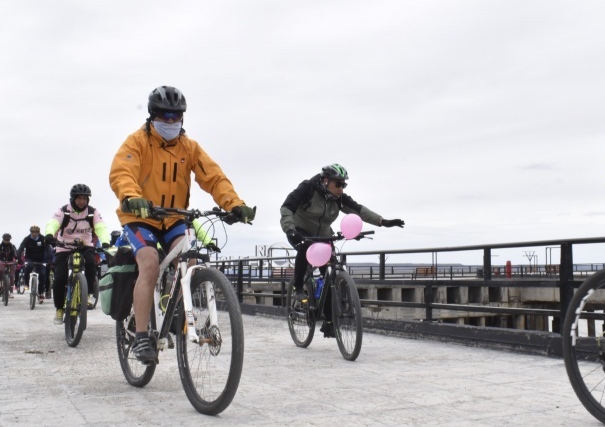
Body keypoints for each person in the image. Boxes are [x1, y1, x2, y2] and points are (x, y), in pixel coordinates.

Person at [109, 85, 255, 362]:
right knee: (150, 264)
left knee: (188, 264)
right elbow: (122, 172)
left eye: (176, 117)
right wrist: (130, 196)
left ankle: (175, 312)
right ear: (152, 116)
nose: (170, 122)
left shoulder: (189, 147)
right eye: (165, 116)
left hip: (174, 217)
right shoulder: (137, 142)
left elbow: (213, 177)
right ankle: (141, 337)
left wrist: (234, 204)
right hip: (140, 217)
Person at [280, 164, 404, 337]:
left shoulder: (338, 198)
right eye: (338, 184)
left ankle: (330, 321)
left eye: (343, 184)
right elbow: (286, 208)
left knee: (329, 274)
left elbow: (358, 210)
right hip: (299, 231)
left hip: (323, 235)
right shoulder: (307, 188)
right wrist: (290, 230)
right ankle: (299, 287)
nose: (341, 188)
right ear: (325, 180)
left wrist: (383, 221)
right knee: (305, 247)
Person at [44, 184, 111, 324]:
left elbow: (100, 227)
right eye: (79, 198)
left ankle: (88, 294)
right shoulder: (63, 211)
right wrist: (50, 234)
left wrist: (105, 242)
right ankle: (59, 309)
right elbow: (53, 223)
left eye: (85, 199)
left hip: (85, 245)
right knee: (59, 278)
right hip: (64, 245)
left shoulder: (93, 212)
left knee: (92, 264)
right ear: (73, 198)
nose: (82, 201)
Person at [17, 225, 53, 304]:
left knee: (43, 274)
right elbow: (21, 248)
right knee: (27, 269)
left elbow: (48, 249)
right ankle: (27, 283)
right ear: (30, 232)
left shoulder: (43, 239)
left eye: (36, 232)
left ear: (38, 232)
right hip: (30, 259)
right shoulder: (26, 239)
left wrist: (50, 259)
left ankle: (40, 293)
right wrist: (18, 257)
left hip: (41, 260)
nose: (34, 234)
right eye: (32, 232)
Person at [0, 233, 18, 298]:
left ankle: (11, 292)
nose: (7, 241)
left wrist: (16, 260)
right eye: (5, 239)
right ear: (3, 239)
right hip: (1, 261)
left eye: (8, 240)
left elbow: (15, 254)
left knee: (12, 275)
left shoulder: (12, 246)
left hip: (10, 261)